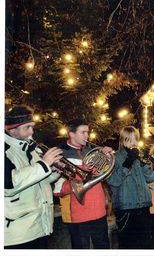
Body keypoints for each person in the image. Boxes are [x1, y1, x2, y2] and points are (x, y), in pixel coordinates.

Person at [5, 105, 63, 248]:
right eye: (27, 128)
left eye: (32, 127)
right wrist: (44, 165)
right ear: (12, 129)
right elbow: (8, 185)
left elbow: (39, 181)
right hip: (18, 234)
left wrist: (54, 169)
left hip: (41, 227)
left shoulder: (29, 148)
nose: (32, 132)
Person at [53, 118, 113, 249]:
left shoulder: (92, 150)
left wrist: (107, 160)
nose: (87, 135)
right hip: (77, 214)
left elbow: (105, 177)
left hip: (99, 211)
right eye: (83, 132)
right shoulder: (60, 154)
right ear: (71, 133)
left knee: (103, 247)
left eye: (88, 132)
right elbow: (57, 189)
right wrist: (80, 179)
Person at [107, 126, 154, 249]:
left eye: (135, 139)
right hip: (126, 207)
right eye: (129, 140)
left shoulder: (138, 155)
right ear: (122, 140)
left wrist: (143, 164)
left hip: (143, 204)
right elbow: (113, 181)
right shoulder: (115, 157)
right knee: (128, 244)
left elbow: (152, 177)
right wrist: (127, 163)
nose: (133, 143)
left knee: (145, 243)